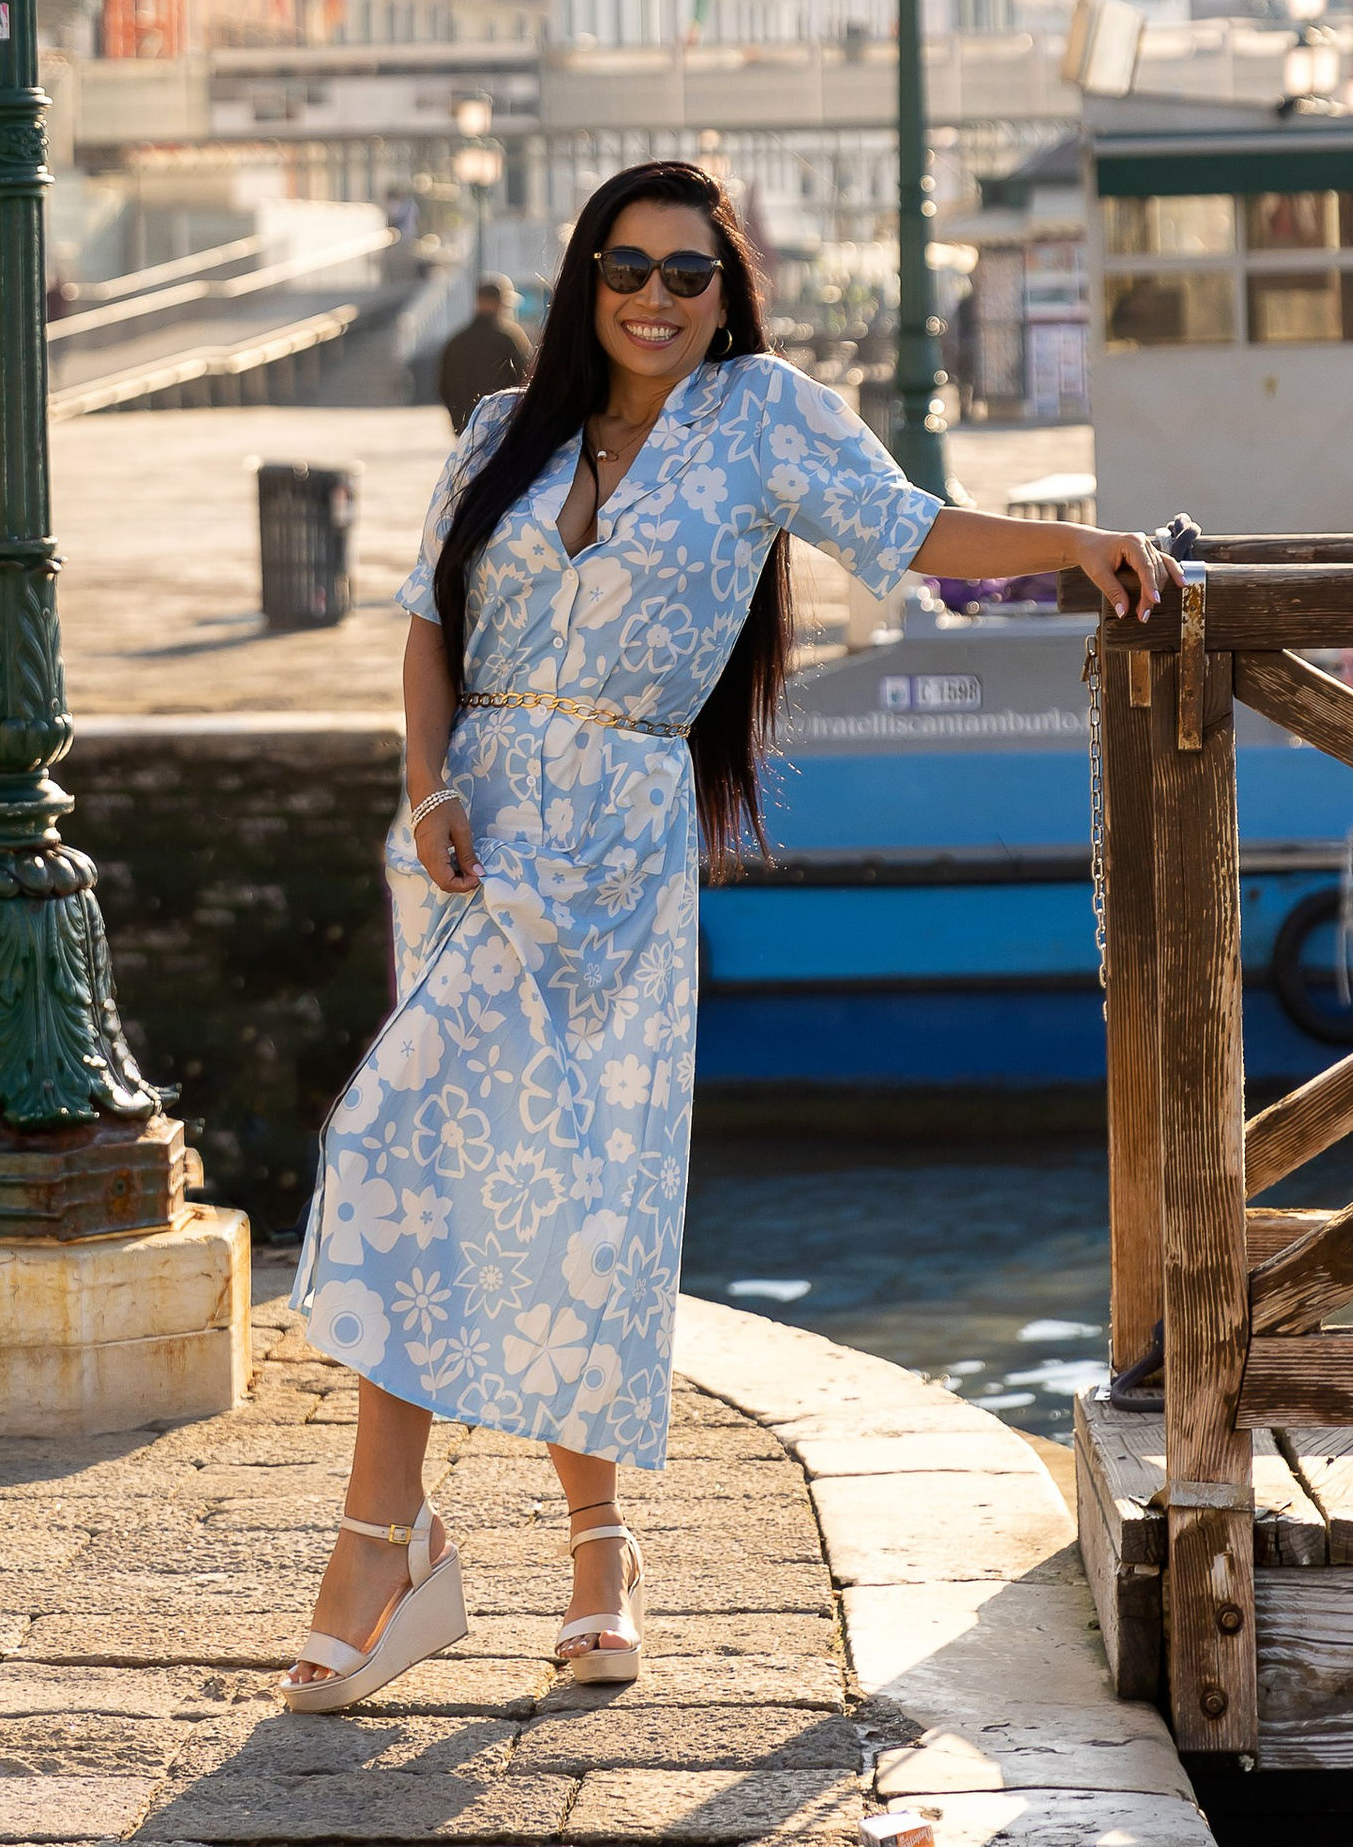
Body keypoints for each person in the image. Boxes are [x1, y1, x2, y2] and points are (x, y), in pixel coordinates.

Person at [280, 157, 1166, 1710]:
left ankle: (590, 1552)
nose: (656, 298)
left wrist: (1072, 543)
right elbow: (428, 619)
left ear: (724, 291)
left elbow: (908, 526)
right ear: (586, 279)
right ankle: (391, 1542)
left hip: (620, 842)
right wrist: (427, 790)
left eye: (687, 274)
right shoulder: (502, 430)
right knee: (403, 1151)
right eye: (628, 268)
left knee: (588, 1196)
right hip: (480, 837)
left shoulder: (764, 418)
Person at [436, 275, 531, 433]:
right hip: (503, 428)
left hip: (467, 430)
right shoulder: (510, 339)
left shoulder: (456, 342)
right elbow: (526, 380)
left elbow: (444, 388)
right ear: (499, 303)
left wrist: (459, 422)